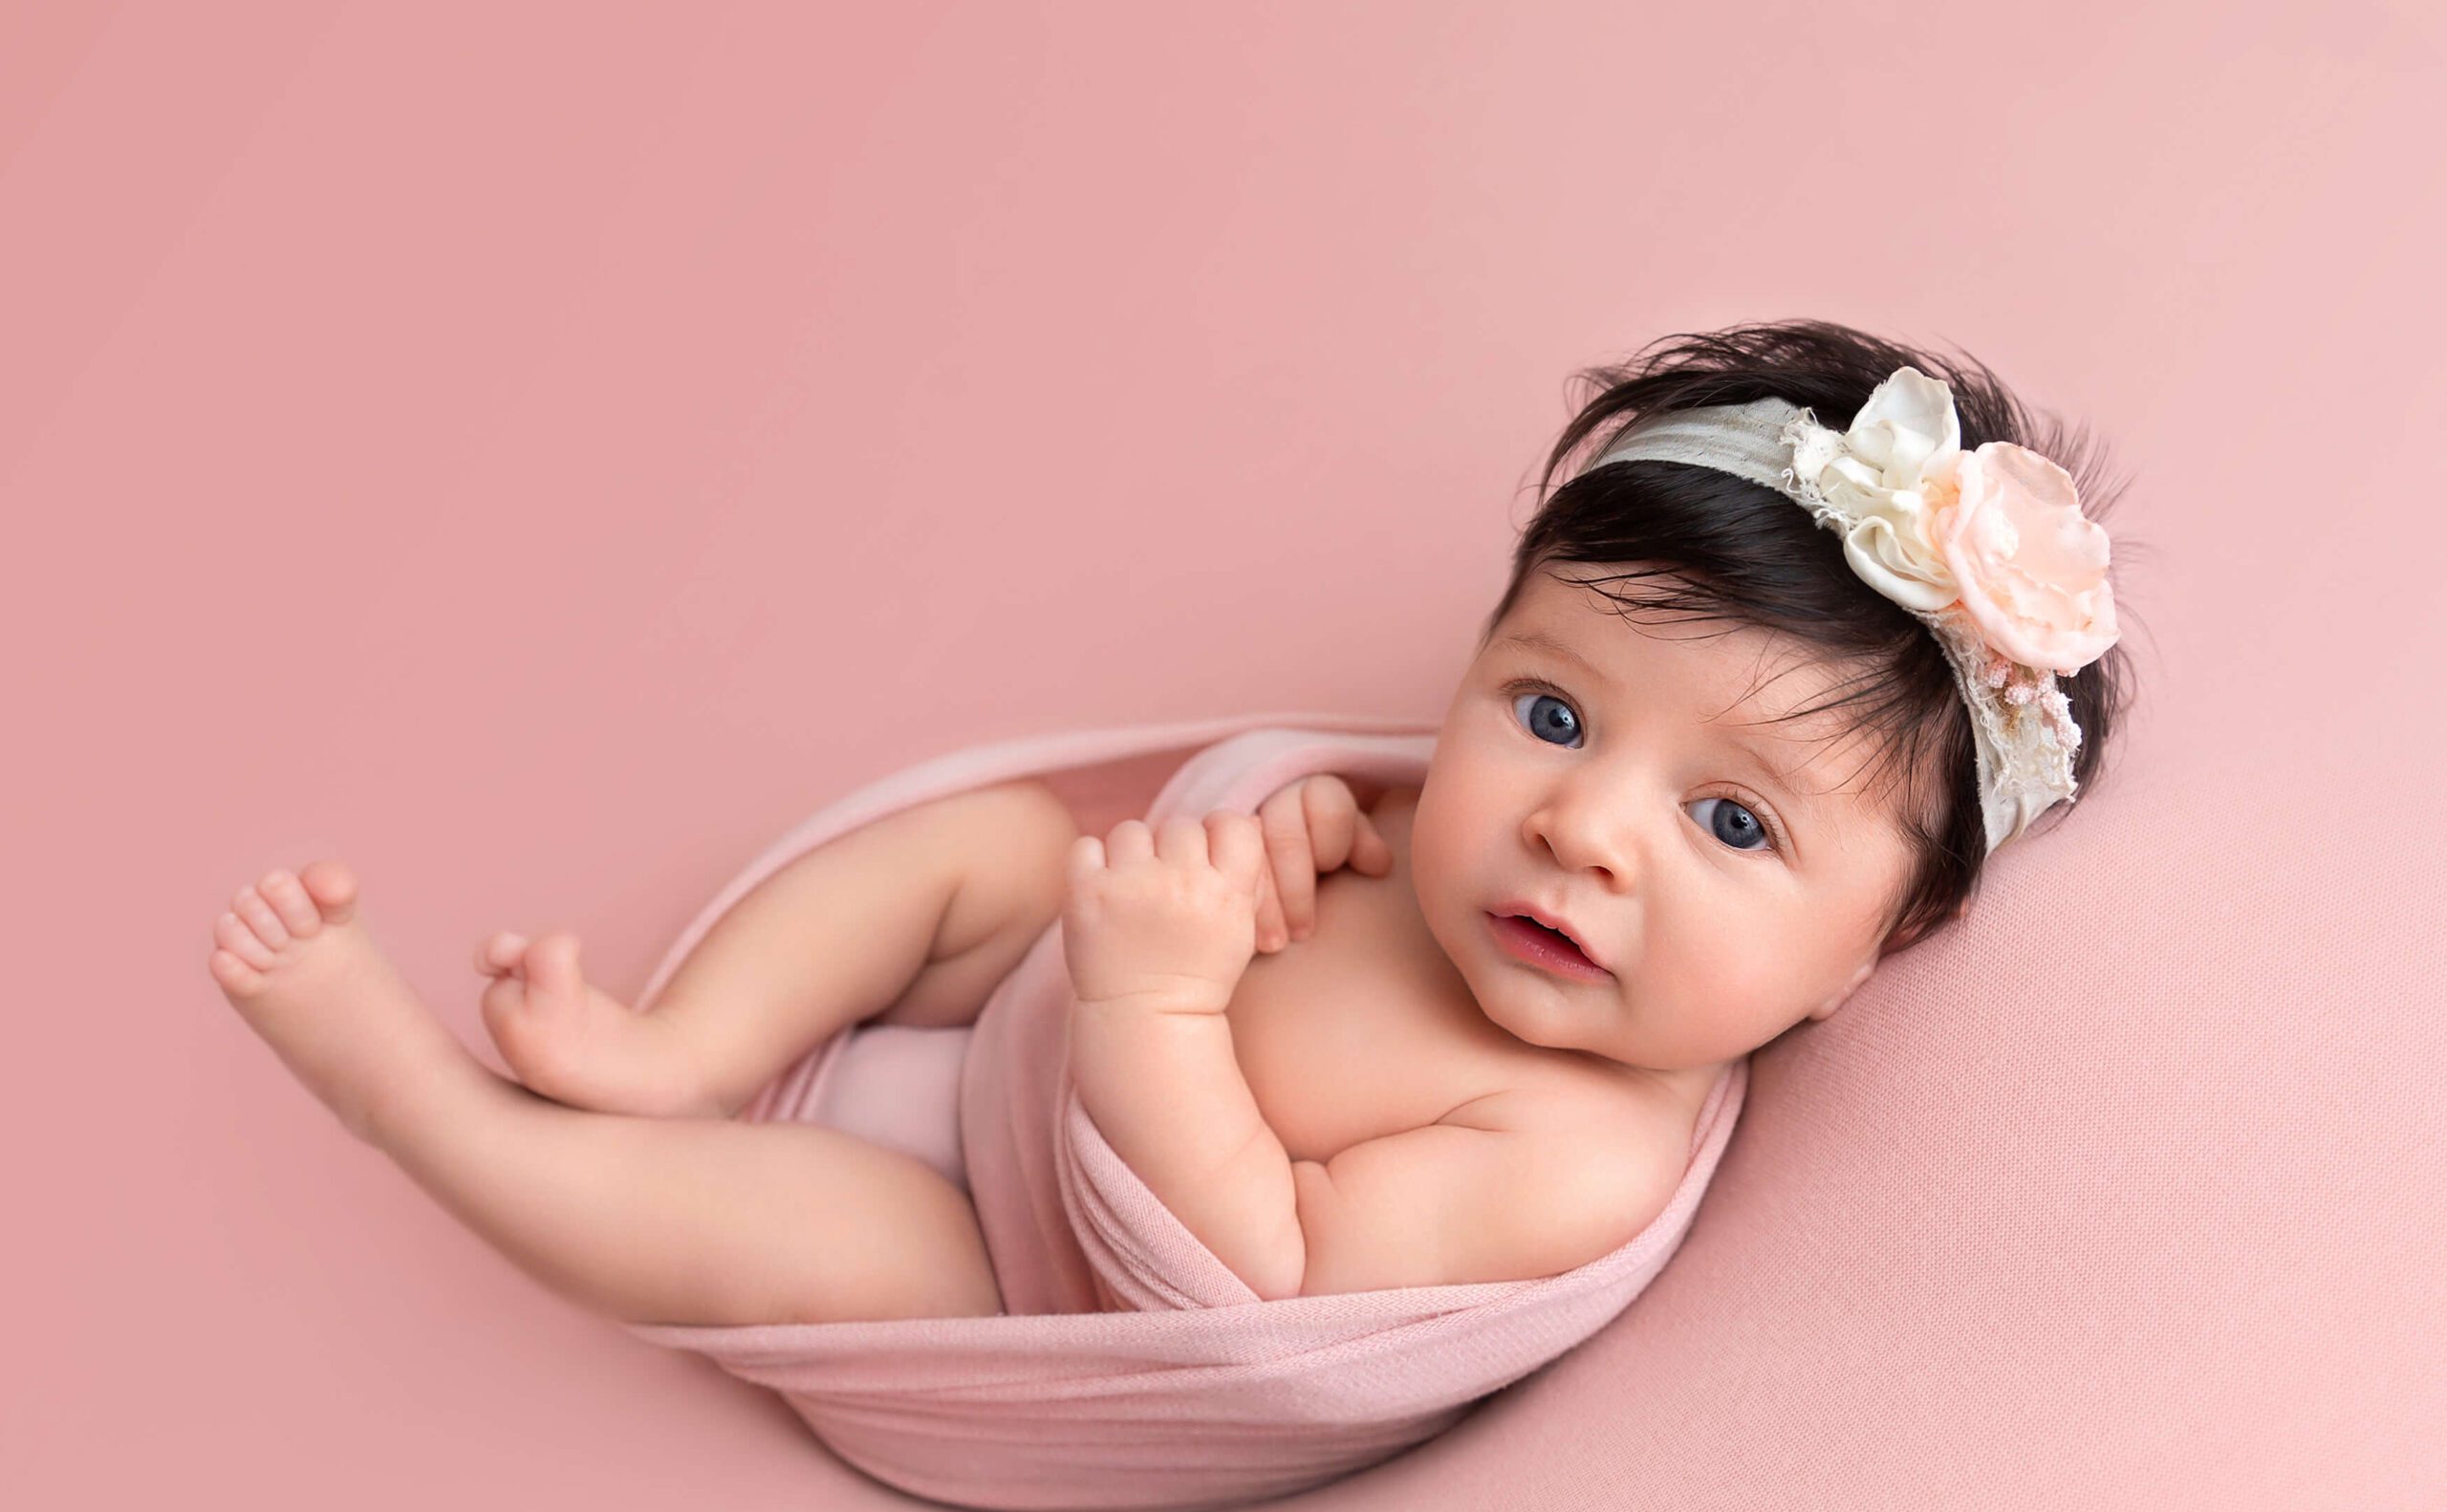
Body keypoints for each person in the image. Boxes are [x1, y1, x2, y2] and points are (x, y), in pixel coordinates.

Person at [207, 317, 2135, 1329]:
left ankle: (425, 1110)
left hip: (1010, 1242)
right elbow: (1291, 842)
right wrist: (1274, 846)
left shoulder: (1572, 1150)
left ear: (1875, 945)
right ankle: (680, 1039)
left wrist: (1149, 1009)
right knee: (975, 851)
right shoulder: (1444, 855)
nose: (1581, 832)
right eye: (1546, 713)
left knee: (794, 1241)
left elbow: (1259, 1282)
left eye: (1729, 823)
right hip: (1042, 1000)